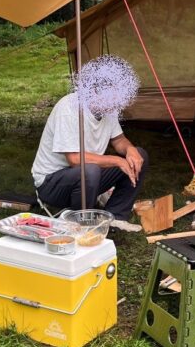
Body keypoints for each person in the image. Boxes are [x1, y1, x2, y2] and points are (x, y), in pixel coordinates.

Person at [32, 56, 147, 229]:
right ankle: (81, 224)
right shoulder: (70, 107)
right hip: (52, 184)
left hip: (88, 177)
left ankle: (116, 216)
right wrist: (117, 160)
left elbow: (119, 140)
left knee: (139, 155)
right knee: (90, 170)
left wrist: (130, 150)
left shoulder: (109, 108)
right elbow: (74, 159)